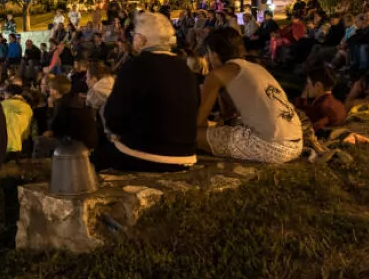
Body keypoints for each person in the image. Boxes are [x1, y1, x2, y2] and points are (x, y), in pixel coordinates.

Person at [93, 12, 199, 172]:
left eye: (134, 35)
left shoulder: (135, 65)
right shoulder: (184, 67)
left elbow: (113, 116)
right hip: (186, 154)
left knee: (90, 162)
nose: (133, 39)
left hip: (146, 154)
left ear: (142, 39)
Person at [197, 28, 302, 164]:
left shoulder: (217, 74)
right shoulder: (256, 68)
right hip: (296, 143)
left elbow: (198, 121)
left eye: (208, 54)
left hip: (271, 146)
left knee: (190, 136)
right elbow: (229, 116)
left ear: (214, 54)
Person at [34, 75, 98, 156]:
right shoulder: (74, 99)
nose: (49, 92)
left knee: (39, 141)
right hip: (88, 142)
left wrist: (50, 108)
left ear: (55, 91)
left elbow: (54, 128)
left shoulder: (61, 104)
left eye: (50, 89)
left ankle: (41, 165)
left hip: (75, 144)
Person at [294, 65, 346, 131]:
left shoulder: (320, 107)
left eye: (308, 83)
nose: (306, 87)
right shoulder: (338, 105)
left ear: (318, 86)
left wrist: (302, 99)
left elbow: (296, 117)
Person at [0, 81, 34, 158]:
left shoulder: (2, 106)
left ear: (8, 94)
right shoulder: (28, 108)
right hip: (21, 145)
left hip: (4, 145)